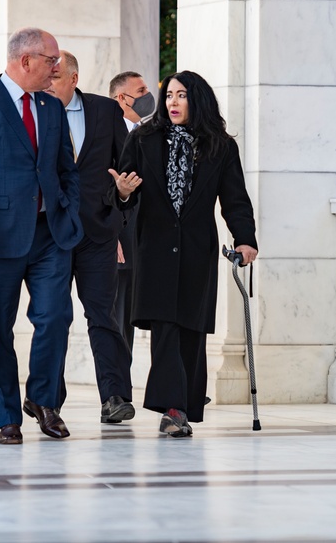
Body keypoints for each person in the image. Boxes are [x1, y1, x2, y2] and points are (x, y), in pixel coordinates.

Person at [0, 27, 83, 445]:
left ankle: (43, 401)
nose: (56, 69)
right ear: (25, 61)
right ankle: (7, 415)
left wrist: (68, 208)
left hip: (50, 235)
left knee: (55, 319)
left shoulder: (51, 107)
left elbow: (66, 169)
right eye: (51, 61)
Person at [109, 70, 257, 438]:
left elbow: (235, 199)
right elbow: (119, 194)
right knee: (166, 328)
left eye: (182, 95)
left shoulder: (220, 146)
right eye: (169, 95)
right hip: (154, 246)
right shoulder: (144, 139)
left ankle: (182, 405)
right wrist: (124, 192)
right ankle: (174, 409)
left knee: (191, 330)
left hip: (196, 249)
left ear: (198, 100)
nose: (172, 102)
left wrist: (245, 239)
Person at [46, 51, 135, 424]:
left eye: (55, 77)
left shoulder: (105, 111)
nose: (47, 84)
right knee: (52, 316)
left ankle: (115, 396)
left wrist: (123, 198)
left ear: (73, 78)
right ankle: (49, 399)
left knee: (102, 315)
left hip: (98, 231)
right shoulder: (33, 112)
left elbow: (126, 169)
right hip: (49, 233)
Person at [108, 71, 155, 351]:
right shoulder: (103, 133)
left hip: (149, 241)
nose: (148, 96)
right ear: (121, 98)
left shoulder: (151, 134)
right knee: (118, 319)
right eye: (141, 91)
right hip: (120, 240)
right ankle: (118, 389)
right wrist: (109, 233)